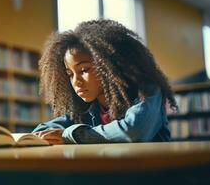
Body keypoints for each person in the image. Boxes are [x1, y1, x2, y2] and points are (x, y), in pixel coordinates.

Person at [33, 19, 177, 144]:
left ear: (109, 66)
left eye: (84, 70)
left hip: (151, 173)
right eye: (70, 74)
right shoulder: (86, 108)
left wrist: (72, 135)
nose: (76, 82)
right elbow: (41, 130)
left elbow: (133, 130)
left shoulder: (147, 92)